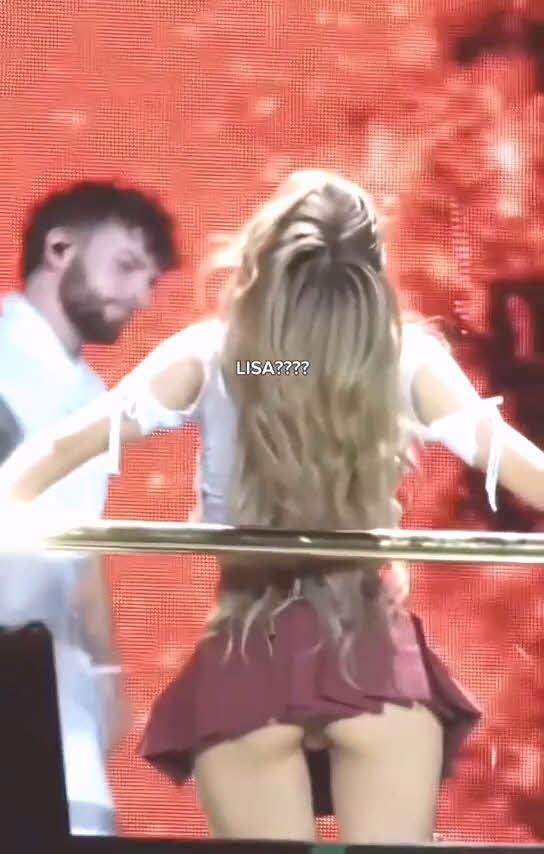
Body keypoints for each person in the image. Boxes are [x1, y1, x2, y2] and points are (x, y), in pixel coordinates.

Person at [1, 170, 544, 844]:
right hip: (375, 668)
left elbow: (60, 447)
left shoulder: (222, 357)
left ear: (265, 258)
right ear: (368, 273)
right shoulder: (402, 360)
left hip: (248, 666)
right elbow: (522, 467)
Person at [0, 180, 177, 835]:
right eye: (126, 266)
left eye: (149, 280)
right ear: (59, 249)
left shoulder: (92, 392)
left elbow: (80, 547)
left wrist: (105, 665)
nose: (140, 296)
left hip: (54, 673)